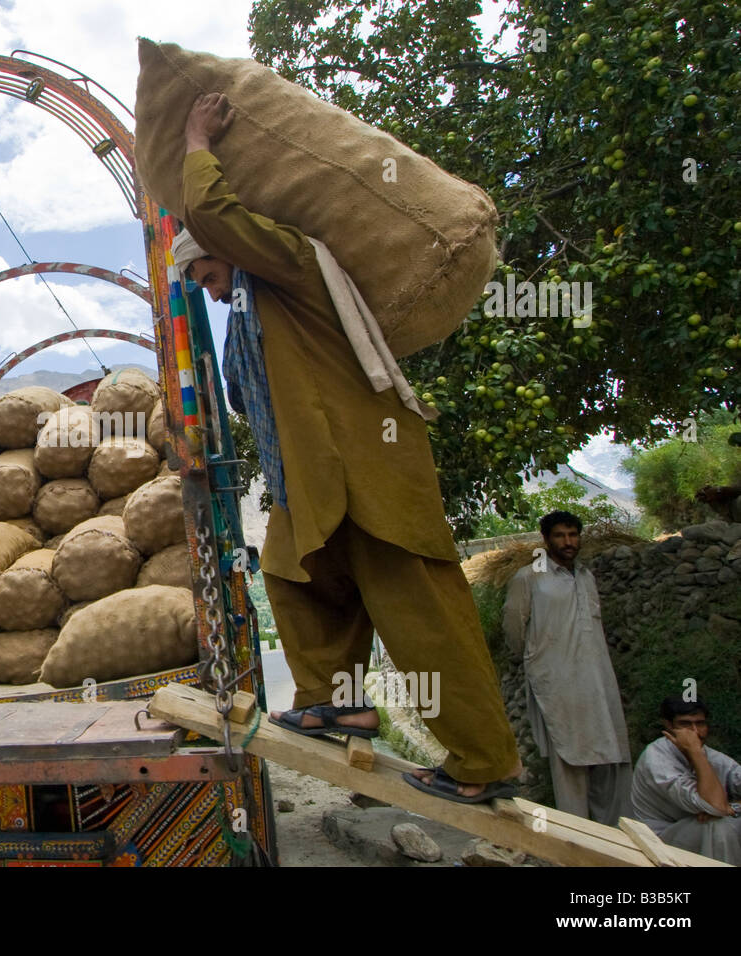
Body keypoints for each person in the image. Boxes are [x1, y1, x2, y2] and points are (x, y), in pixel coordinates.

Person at [173, 92, 520, 804]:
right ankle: (338, 701)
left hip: (369, 473)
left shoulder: (291, 274)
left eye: (207, 276)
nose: (209, 293)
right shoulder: (247, 322)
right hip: (311, 485)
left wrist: (194, 141)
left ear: (229, 255)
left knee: (418, 612)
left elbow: (214, 216)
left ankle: (488, 760)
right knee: (292, 574)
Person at [501, 510, 632, 823]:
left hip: (598, 681)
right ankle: (577, 838)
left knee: (610, 757)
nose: (568, 542)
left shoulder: (586, 577)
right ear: (546, 540)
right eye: (560, 535)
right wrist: (539, 658)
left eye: (573, 535)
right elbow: (513, 628)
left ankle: (611, 838)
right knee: (569, 757)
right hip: (558, 681)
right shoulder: (529, 577)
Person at [631, 698, 741, 864]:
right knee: (717, 825)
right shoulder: (656, 759)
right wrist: (695, 752)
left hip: (698, 831)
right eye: (685, 724)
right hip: (656, 841)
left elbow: (719, 808)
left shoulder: (714, 757)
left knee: (718, 821)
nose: (695, 732)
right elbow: (717, 807)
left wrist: (734, 807)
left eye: (700, 723)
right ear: (668, 725)